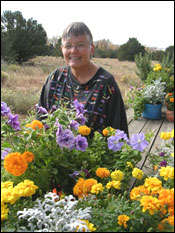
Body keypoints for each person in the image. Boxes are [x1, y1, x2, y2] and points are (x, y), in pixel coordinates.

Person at [37, 22, 129, 137]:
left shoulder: (106, 84)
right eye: (68, 46)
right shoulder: (55, 79)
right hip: (54, 153)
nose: (74, 51)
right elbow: (40, 121)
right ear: (62, 49)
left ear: (91, 49)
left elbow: (119, 133)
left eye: (81, 45)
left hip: (94, 154)